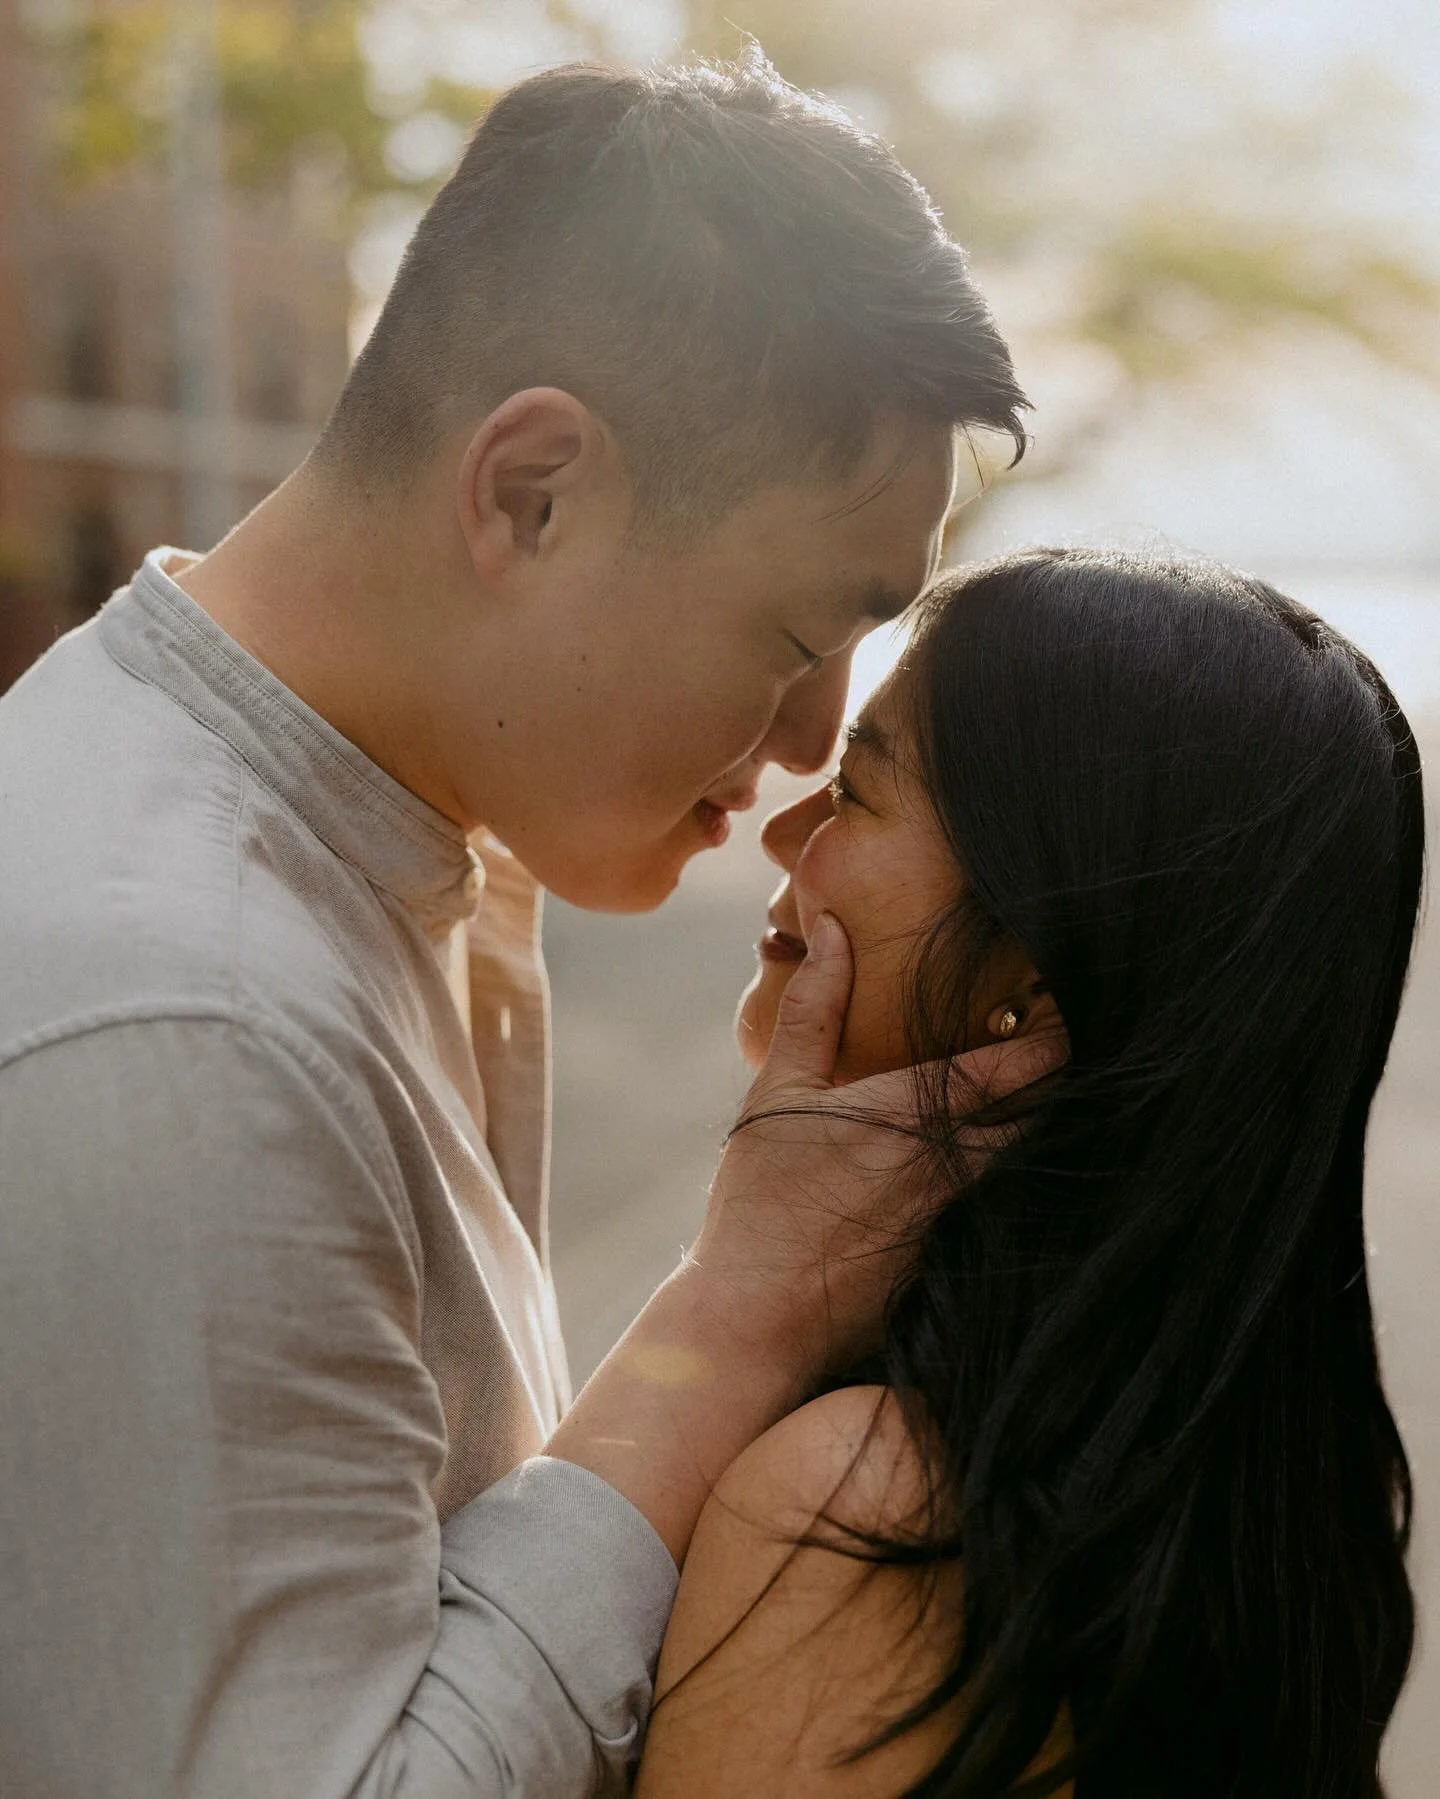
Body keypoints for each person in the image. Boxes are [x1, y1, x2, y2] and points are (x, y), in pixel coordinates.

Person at [0, 52, 1037, 1799]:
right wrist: (743, 1308)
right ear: (531, 492)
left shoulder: (381, 860)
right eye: (799, 634)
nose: (811, 746)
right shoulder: (190, 1015)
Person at [635, 548, 1422, 1799]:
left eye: (856, 789)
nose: (784, 828)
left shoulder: (875, 1515)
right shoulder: (1256, 1469)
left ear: (1037, 972)